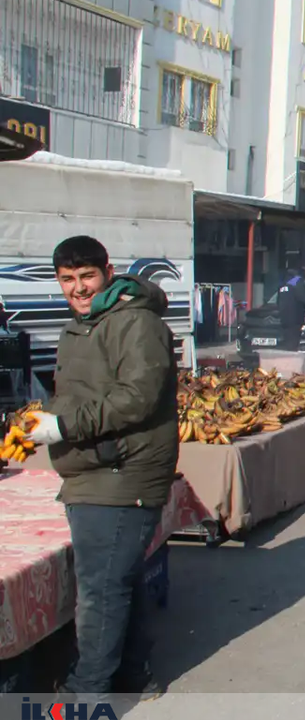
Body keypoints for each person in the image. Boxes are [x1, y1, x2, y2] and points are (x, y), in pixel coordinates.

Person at [26, 235, 177, 701]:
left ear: (107, 271)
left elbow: (137, 398)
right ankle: (134, 675)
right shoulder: (83, 324)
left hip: (122, 470)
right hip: (94, 467)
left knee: (99, 590)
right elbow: (83, 391)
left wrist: (65, 425)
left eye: (87, 276)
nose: (78, 288)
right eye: (67, 279)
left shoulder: (134, 322)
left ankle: (85, 693)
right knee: (119, 578)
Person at [276, 265, 305, 351]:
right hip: (295, 318)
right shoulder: (298, 281)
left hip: (283, 318)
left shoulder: (284, 283)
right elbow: (303, 299)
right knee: (293, 344)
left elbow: (278, 301)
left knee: (287, 343)